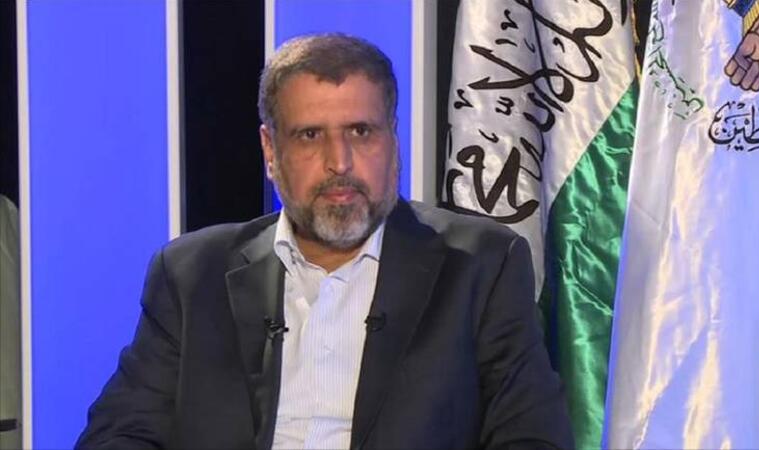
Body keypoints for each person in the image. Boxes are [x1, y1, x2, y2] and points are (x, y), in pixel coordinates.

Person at [76, 33, 573, 450]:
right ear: (271, 150)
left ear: (393, 139)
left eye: (361, 131)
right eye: (310, 136)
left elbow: (533, 438)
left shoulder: (480, 266)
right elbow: (120, 435)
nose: (340, 162)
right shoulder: (191, 273)